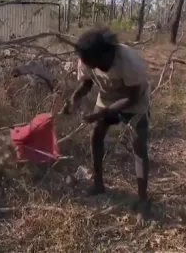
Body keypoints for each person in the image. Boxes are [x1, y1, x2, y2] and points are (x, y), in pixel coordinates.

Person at [61, 27, 152, 218]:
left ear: (107, 52)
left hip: (134, 102)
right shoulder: (87, 59)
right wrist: (74, 99)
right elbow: (86, 83)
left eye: (97, 63)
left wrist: (102, 114)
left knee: (139, 146)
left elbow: (132, 98)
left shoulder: (128, 61)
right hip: (107, 99)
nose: (95, 68)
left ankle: (143, 199)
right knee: (96, 135)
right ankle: (98, 183)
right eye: (90, 64)